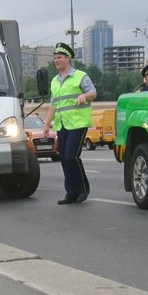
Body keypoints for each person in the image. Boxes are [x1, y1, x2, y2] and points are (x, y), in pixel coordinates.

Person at [42, 42, 96, 204]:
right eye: (55, 58)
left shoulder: (80, 76)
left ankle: (82, 189)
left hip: (78, 123)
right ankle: (70, 193)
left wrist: (84, 97)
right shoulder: (54, 81)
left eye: (59, 58)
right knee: (64, 159)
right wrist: (46, 125)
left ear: (67, 59)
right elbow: (52, 105)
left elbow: (93, 93)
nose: (56, 61)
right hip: (62, 125)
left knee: (72, 156)